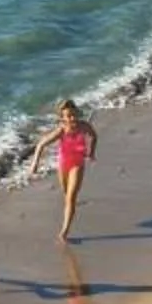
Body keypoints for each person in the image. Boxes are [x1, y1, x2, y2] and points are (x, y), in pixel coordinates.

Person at [29, 99, 100, 242]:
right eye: (68, 116)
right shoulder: (61, 130)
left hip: (77, 164)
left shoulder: (84, 126)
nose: (72, 118)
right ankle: (70, 207)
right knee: (66, 194)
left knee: (71, 197)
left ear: (77, 114)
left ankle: (64, 232)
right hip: (63, 164)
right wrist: (34, 164)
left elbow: (94, 135)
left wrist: (91, 152)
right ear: (63, 118)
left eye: (74, 115)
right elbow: (41, 145)